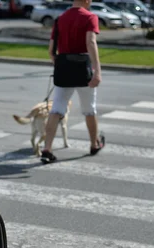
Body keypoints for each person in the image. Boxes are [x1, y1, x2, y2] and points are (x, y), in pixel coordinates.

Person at [41, 0, 104, 164]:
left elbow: (51, 48)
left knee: (56, 109)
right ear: (87, 0)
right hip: (83, 69)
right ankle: (93, 144)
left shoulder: (61, 18)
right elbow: (90, 42)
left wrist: (58, 62)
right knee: (89, 109)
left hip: (63, 69)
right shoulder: (90, 17)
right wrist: (97, 70)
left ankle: (47, 148)